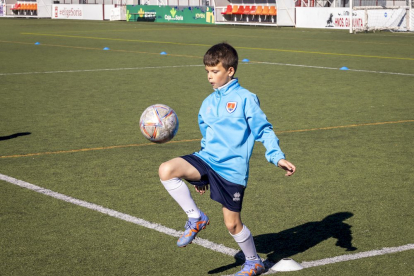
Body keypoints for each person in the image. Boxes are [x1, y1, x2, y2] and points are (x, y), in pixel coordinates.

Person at [158, 42, 296, 276]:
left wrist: (277, 157)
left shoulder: (246, 98)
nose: (210, 77)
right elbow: (207, 136)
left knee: (232, 224)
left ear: (230, 71)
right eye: (207, 72)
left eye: (215, 71)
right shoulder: (208, 102)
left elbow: (263, 130)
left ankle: (253, 262)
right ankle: (196, 217)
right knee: (167, 170)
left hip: (232, 171)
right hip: (207, 159)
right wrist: (200, 176)